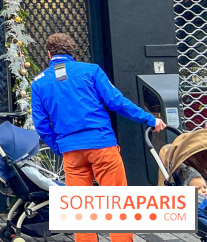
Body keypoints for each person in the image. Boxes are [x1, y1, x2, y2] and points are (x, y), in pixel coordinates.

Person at [31, 32, 166, 242]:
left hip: (71, 151)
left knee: (81, 210)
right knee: (116, 204)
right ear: (72, 53)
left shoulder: (38, 83)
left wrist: (60, 147)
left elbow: (41, 125)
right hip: (102, 145)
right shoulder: (91, 71)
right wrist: (149, 119)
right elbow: (117, 102)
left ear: (49, 54)